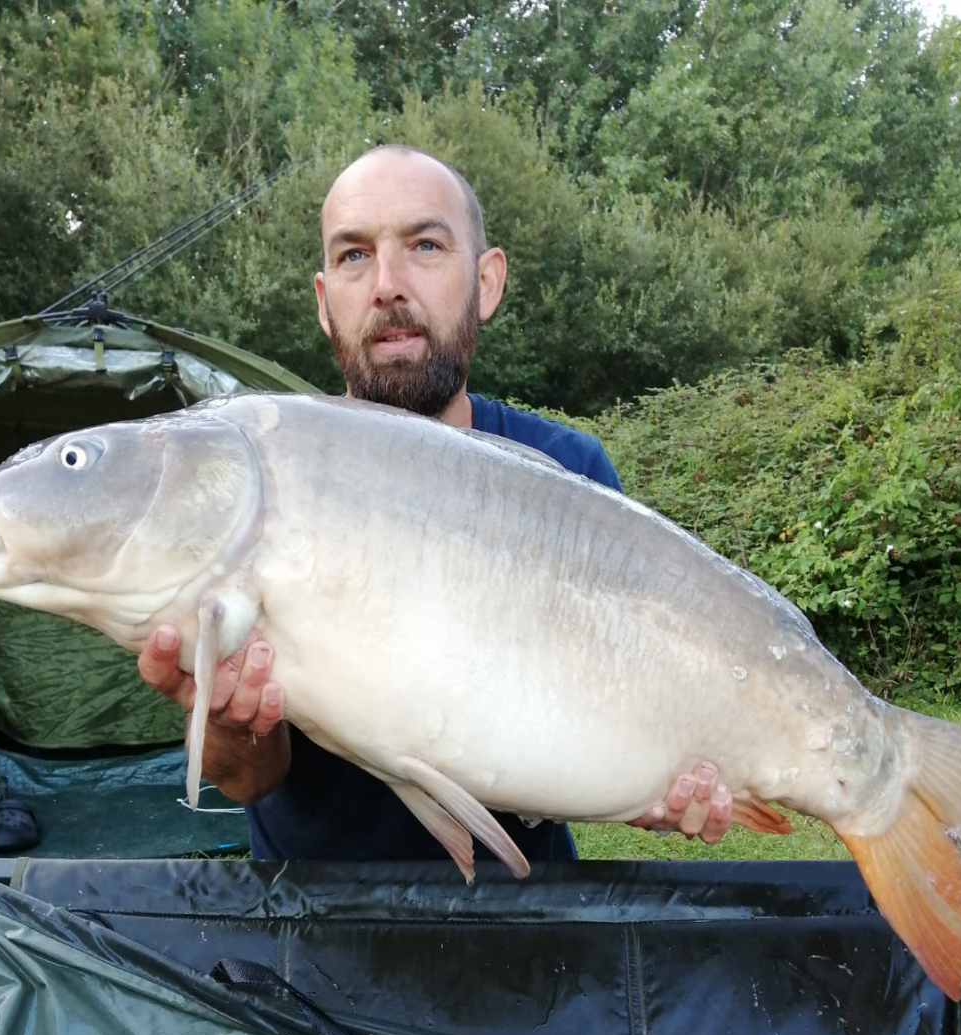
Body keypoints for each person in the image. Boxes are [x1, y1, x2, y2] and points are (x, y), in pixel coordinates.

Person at [139, 145, 733, 863]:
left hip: (528, 909)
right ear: (325, 302)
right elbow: (249, 779)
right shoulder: (261, 482)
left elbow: (609, 735)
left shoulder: (569, 474)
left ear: (486, 281)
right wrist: (231, 720)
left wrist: (657, 782)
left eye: (424, 245)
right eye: (354, 256)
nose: (387, 285)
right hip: (308, 908)